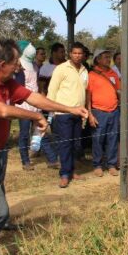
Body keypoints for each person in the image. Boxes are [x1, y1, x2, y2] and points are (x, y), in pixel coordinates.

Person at [0, 39, 86, 255]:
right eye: (15, 61)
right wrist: (36, 117)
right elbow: (3, 110)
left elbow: (33, 98)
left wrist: (69, 108)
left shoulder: (6, 82)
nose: (19, 65)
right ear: (2, 63)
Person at [47, 42, 89, 188]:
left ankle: (71, 171)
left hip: (78, 113)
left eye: (80, 53)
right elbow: (52, 90)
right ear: (70, 54)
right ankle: (64, 174)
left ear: (83, 55)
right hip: (62, 113)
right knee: (65, 144)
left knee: (75, 144)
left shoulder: (84, 70)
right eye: (75, 53)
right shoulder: (61, 68)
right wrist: (51, 112)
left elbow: (85, 91)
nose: (77, 56)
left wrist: (84, 110)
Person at [86, 49, 120, 177]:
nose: (108, 59)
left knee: (112, 138)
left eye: (109, 57)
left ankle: (111, 164)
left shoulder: (113, 74)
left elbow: (119, 91)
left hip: (114, 111)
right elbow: (87, 96)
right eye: (105, 57)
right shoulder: (92, 75)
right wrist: (90, 114)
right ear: (98, 59)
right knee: (98, 139)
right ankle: (97, 165)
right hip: (98, 112)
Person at [14, 41, 39, 171]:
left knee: (39, 131)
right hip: (23, 104)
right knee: (24, 134)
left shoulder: (34, 65)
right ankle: (25, 161)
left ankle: (50, 158)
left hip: (35, 102)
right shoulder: (18, 65)